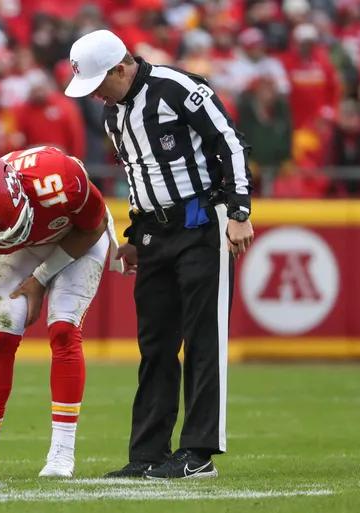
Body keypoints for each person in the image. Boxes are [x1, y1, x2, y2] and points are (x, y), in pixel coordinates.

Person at [65, 30, 254, 479]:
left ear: (120, 67)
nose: (94, 94)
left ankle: (199, 451)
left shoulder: (178, 88)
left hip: (202, 226)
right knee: (155, 346)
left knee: (204, 340)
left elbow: (230, 143)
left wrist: (240, 210)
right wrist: (134, 234)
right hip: (154, 237)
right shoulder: (115, 115)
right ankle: (148, 452)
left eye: (98, 83)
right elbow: (141, 177)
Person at [0, 146, 120, 479]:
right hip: (23, 249)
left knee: (64, 328)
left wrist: (39, 280)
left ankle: (62, 453)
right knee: (2, 331)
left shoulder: (59, 177)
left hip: (76, 237)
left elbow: (92, 228)